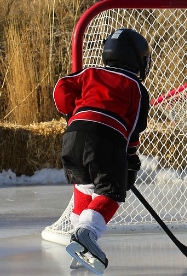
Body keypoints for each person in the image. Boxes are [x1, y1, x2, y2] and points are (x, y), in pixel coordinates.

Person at [53, 28, 151, 273]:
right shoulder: (136, 87)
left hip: (72, 137)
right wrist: (130, 161)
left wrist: (72, 112)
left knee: (84, 186)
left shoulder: (89, 72)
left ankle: (78, 247)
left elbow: (61, 87)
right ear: (137, 59)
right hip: (106, 139)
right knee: (110, 193)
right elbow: (133, 128)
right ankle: (87, 234)